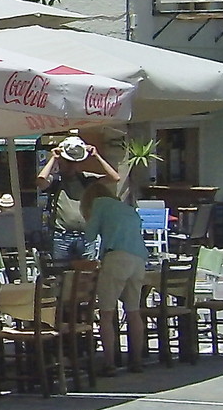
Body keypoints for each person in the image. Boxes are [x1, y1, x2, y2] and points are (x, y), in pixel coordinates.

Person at [83, 180, 148, 374]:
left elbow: (89, 235)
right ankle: (136, 360)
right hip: (138, 258)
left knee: (106, 313)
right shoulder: (125, 207)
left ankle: (109, 362)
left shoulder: (98, 204)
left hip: (117, 257)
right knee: (133, 311)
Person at [38, 136, 121, 267]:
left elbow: (115, 177)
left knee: (88, 272)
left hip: (86, 236)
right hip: (62, 236)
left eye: (74, 162)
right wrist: (53, 157)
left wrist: (96, 156)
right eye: (67, 162)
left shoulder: (87, 179)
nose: (71, 166)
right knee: (60, 273)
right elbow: (41, 181)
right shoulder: (56, 181)